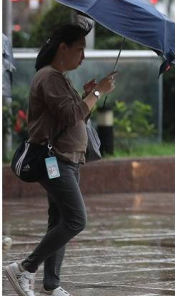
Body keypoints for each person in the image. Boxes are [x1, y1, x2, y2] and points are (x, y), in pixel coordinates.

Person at [4, 24, 117, 296]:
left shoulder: (61, 77)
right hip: (53, 160)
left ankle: (51, 284)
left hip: (68, 158)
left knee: (60, 221)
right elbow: (70, 116)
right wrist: (97, 93)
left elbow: (74, 117)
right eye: (79, 49)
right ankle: (24, 268)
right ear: (62, 48)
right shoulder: (49, 77)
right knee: (76, 219)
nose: (83, 57)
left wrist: (89, 93)